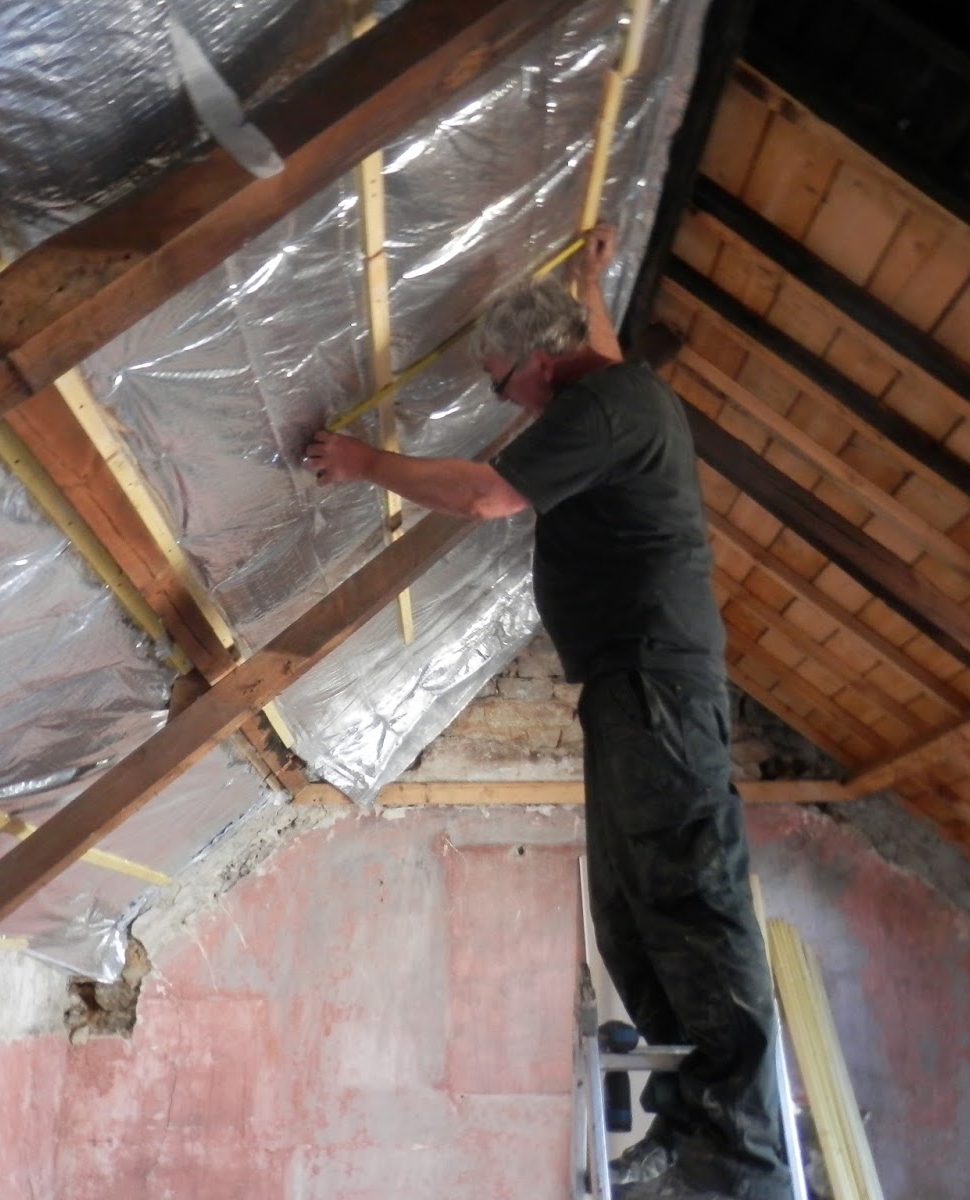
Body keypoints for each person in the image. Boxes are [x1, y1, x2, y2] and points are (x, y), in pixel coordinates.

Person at [302, 226, 790, 1200]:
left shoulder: (609, 402)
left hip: (657, 680)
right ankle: (693, 1120)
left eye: (500, 382)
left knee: (690, 892)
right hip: (631, 685)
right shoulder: (612, 386)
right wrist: (592, 282)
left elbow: (486, 495)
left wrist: (365, 464)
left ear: (539, 360)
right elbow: (596, 347)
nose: (507, 402)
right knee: (628, 907)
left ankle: (741, 1159)